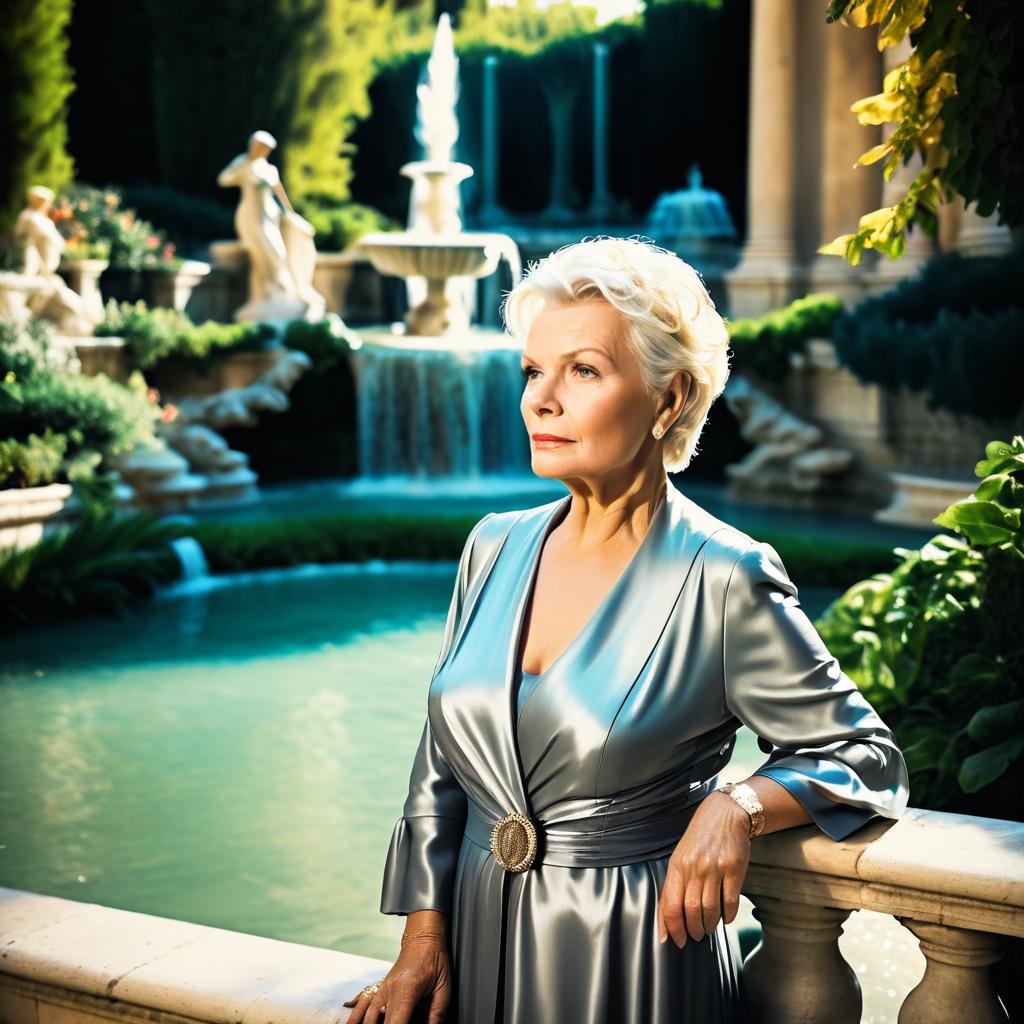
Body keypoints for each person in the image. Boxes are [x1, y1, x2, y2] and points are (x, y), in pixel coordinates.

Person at [344, 236, 910, 1024]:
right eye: (534, 371)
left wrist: (736, 806)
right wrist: (421, 939)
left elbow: (864, 755)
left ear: (669, 398)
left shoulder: (724, 575)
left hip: (633, 962)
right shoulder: (493, 545)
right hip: (471, 952)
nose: (540, 399)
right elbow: (441, 765)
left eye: (583, 370)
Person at [216, 130, 324, 322]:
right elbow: (223, 179)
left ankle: (277, 296)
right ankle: (265, 297)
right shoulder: (244, 163)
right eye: (262, 147)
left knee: (278, 254)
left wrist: (293, 216)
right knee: (263, 256)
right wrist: (241, 169)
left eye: (267, 149)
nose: (264, 151)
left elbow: (281, 196)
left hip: (269, 217)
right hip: (251, 218)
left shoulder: (269, 169)